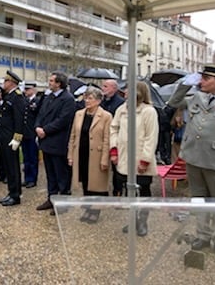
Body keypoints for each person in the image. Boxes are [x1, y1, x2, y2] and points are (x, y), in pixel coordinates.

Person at [167, 64, 215, 251]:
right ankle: (202, 235)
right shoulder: (196, 97)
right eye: (200, 78)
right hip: (193, 156)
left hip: (214, 159)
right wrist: (183, 84)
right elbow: (173, 102)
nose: (201, 81)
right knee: (198, 198)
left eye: (206, 78)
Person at [110, 81, 159, 237]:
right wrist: (114, 149)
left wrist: (145, 160)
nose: (125, 92)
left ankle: (143, 221)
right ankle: (132, 221)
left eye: (128, 90)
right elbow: (114, 129)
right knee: (129, 191)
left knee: (144, 191)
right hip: (124, 157)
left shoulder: (149, 111)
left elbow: (151, 137)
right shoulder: (122, 110)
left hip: (140, 158)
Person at [67, 86, 112, 223]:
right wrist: (70, 155)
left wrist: (105, 159)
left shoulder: (106, 116)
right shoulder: (79, 114)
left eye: (90, 98)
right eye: (86, 97)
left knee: (97, 184)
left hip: (97, 156)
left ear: (98, 100)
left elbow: (107, 139)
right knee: (85, 182)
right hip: (81, 153)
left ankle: (95, 210)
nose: (87, 100)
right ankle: (88, 207)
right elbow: (73, 136)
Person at [35, 71, 76, 215]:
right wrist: (38, 127)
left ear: (59, 83)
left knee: (61, 174)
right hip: (46, 141)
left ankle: (63, 202)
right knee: (50, 173)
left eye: (52, 81)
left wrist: (45, 130)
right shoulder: (48, 97)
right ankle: (51, 198)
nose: (49, 82)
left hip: (58, 141)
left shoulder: (68, 99)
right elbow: (40, 114)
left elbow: (63, 120)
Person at [0, 70, 26, 207]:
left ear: (11, 83)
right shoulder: (8, 96)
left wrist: (17, 138)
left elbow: (19, 120)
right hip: (4, 136)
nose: (3, 84)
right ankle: (11, 192)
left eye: (5, 81)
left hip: (11, 137)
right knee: (8, 166)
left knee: (13, 166)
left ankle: (15, 195)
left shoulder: (17, 97)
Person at [101, 79, 125, 196]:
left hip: (115, 137)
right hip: (102, 137)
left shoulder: (120, 103)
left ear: (114, 88)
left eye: (106, 86)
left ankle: (118, 190)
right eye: (103, 86)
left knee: (116, 167)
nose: (103, 88)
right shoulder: (102, 101)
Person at [22, 81, 40, 188]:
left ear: (33, 90)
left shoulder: (37, 101)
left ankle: (32, 179)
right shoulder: (24, 101)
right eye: (25, 89)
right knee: (26, 158)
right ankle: (27, 178)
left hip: (32, 133)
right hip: (25, 133)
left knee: (33, 158)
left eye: (28, 89)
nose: (26, 91)